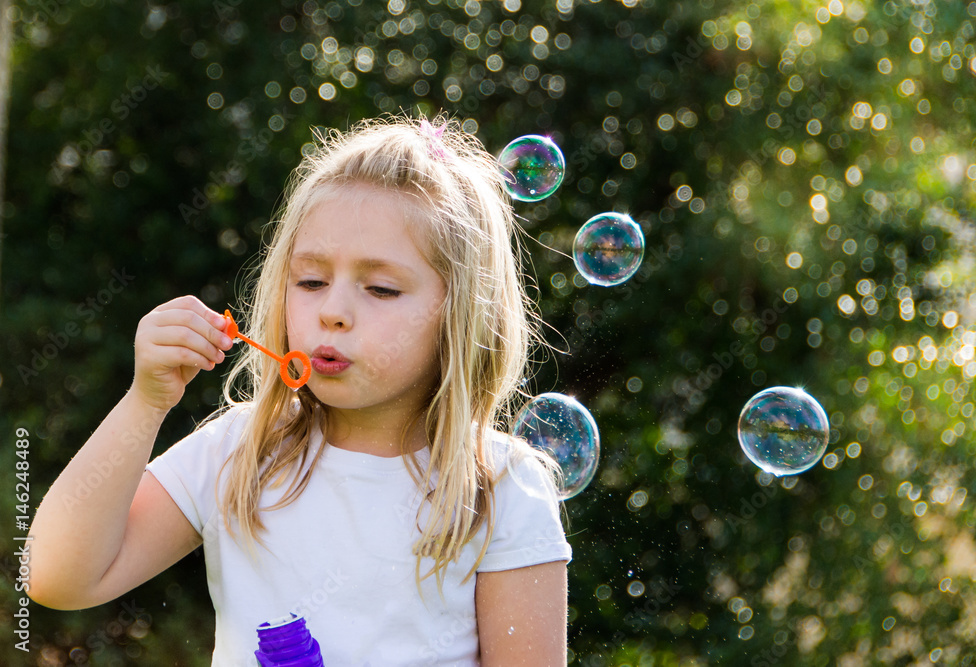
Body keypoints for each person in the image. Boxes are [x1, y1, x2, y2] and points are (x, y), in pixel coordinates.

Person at [27, 116, 572, 665]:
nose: (332, 311)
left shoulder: (499, 489)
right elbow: (56, 576)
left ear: (461, 315)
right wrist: (146, 402)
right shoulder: (239, 453)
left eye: (381, 288)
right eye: (310, 281)